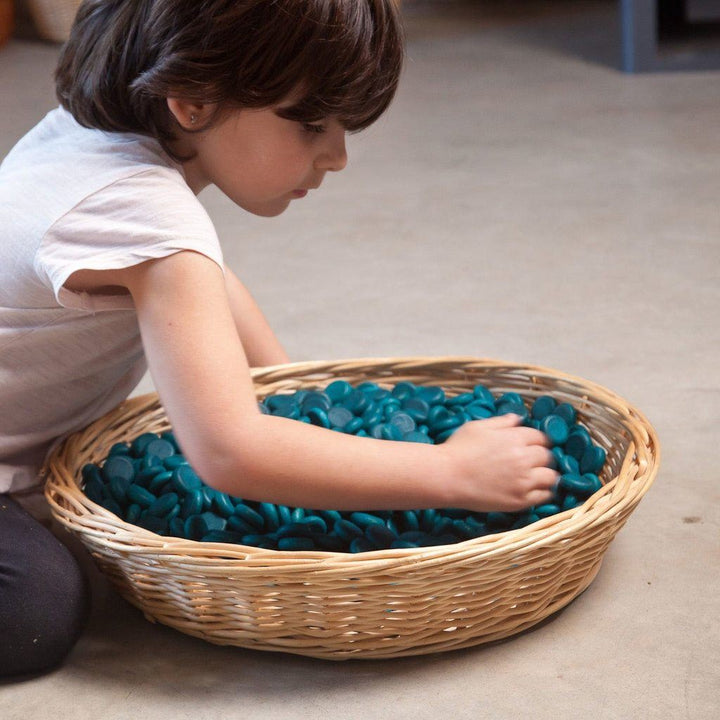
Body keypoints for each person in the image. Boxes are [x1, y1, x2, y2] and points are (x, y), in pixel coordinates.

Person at [0, 0, 558, 678]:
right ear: (193, 100)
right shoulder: (141, 214)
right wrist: (452, 473)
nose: (337, 156)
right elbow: (231, 453)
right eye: (313, 125)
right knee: (36, 611)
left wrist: (295, 394)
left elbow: (212, 284)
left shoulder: (83, 143)